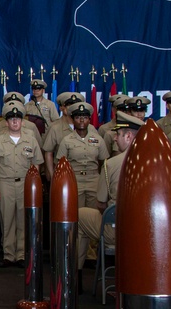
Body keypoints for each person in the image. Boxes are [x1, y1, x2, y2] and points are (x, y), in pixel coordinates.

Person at [75, 112, 142, 271]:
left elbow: (101, 204)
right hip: (147, 232)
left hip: (118, 230)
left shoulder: (111, 164)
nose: (115, 138)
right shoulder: (157, 162)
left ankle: (74, 274)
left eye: (118, 134)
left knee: (78, 215)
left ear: (128, 137)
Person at [0, 101, 44, 268]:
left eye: (18, 119)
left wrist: (35, 185)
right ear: (6, 122)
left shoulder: (30, 140)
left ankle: (21, 255)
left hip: (25, 183)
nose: (15, 122)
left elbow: (36, 164)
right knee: (7, 219)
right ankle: (8, 254)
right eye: (12, 119)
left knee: (23, 220)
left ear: (23, 122)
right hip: (6, 183)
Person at [55, 100, 109, 208]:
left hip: (94, 180)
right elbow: (59, 164)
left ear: (89, 119)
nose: (81, 120)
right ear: (73, 120)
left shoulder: (98, 140)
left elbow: (104, 163)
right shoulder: (66, 140)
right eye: (77, 117)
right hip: (74, 179)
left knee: (94, 213)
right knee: (75, 212)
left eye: (84, 117)